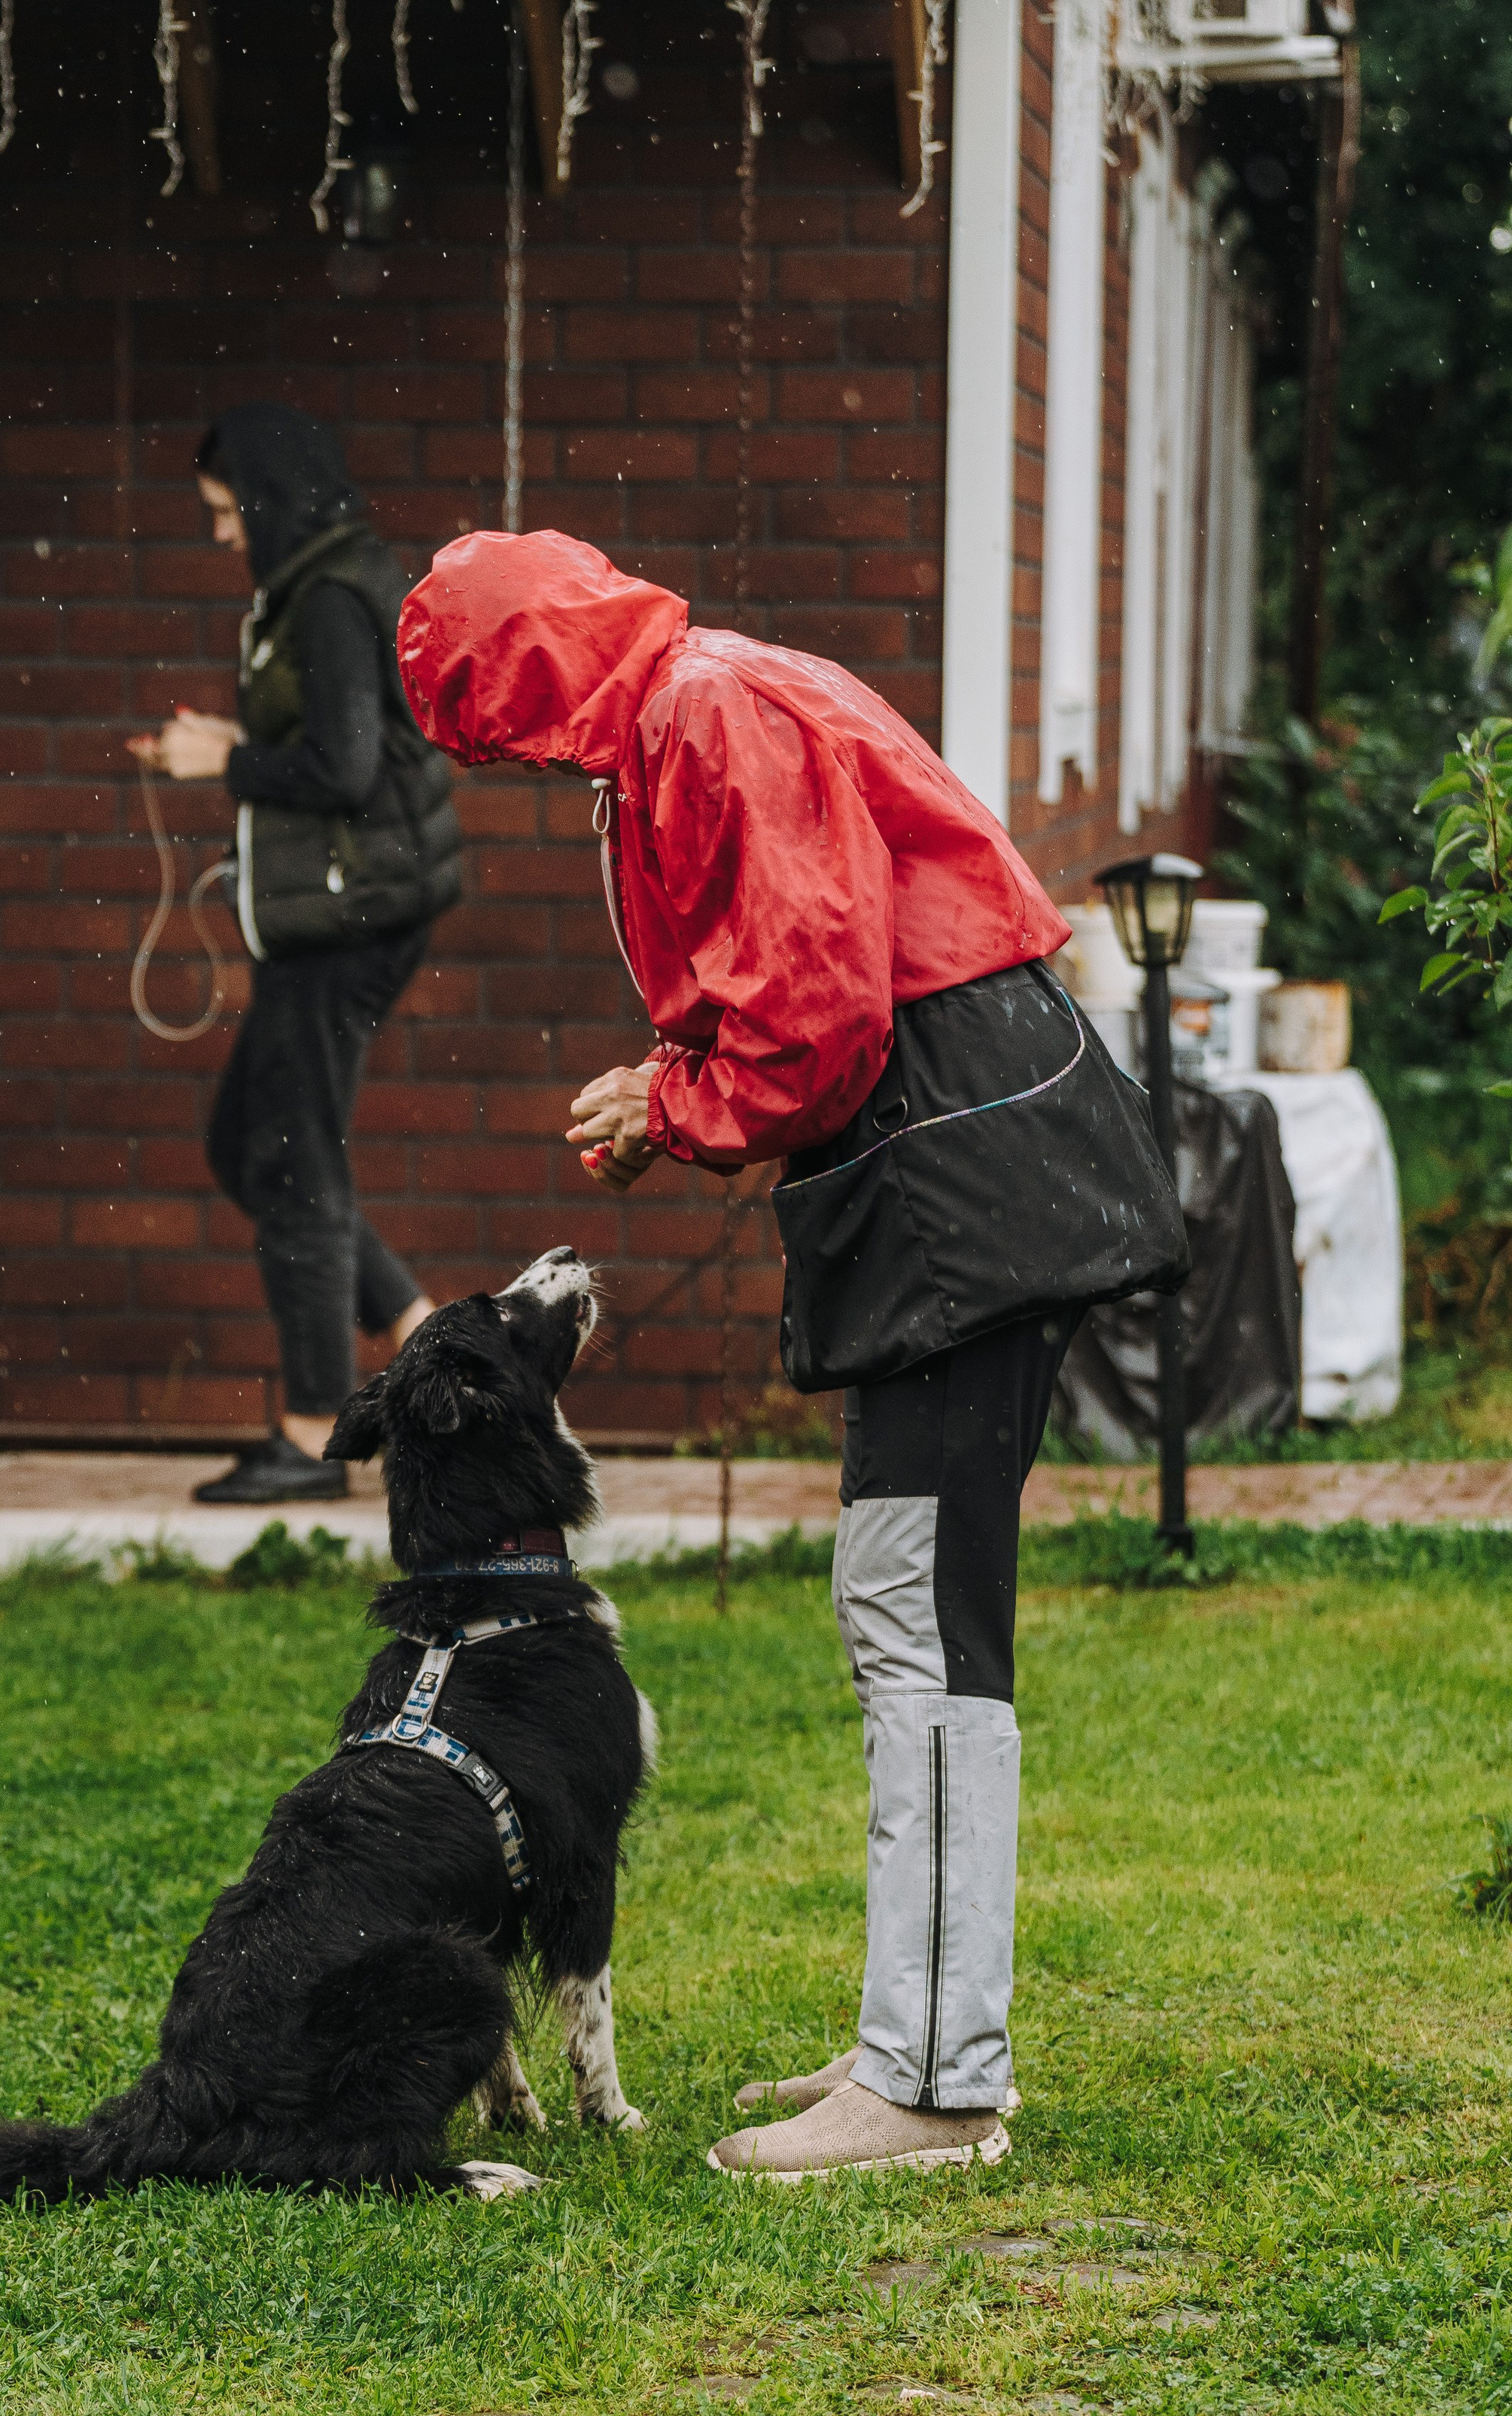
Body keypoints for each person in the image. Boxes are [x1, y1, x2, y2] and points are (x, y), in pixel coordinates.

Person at [397, 528, 1184, 2180]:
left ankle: (936, 2078)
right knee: (901, 1595)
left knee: (919, 1607)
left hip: (959, 1172)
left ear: (522, 679)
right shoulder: (695, 695)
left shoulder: (705, 716)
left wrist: (676, 1098)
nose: (502, 759)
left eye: (486, 723)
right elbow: (802, 974)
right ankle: (911, 2028)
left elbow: (819, 1020)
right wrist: (671, 1080)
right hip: (960, 1160)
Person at [135, 408, 462, 1506]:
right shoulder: (322, 579)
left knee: (292, 1153)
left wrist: (224, 758)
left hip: (345, 921)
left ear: (271, 501)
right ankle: (419, 1328)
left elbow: (343, 768)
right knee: (250, 1144)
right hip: (334, 914)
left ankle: (318, 1424)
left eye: (228, 514)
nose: (224, 535)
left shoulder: (326, 598)